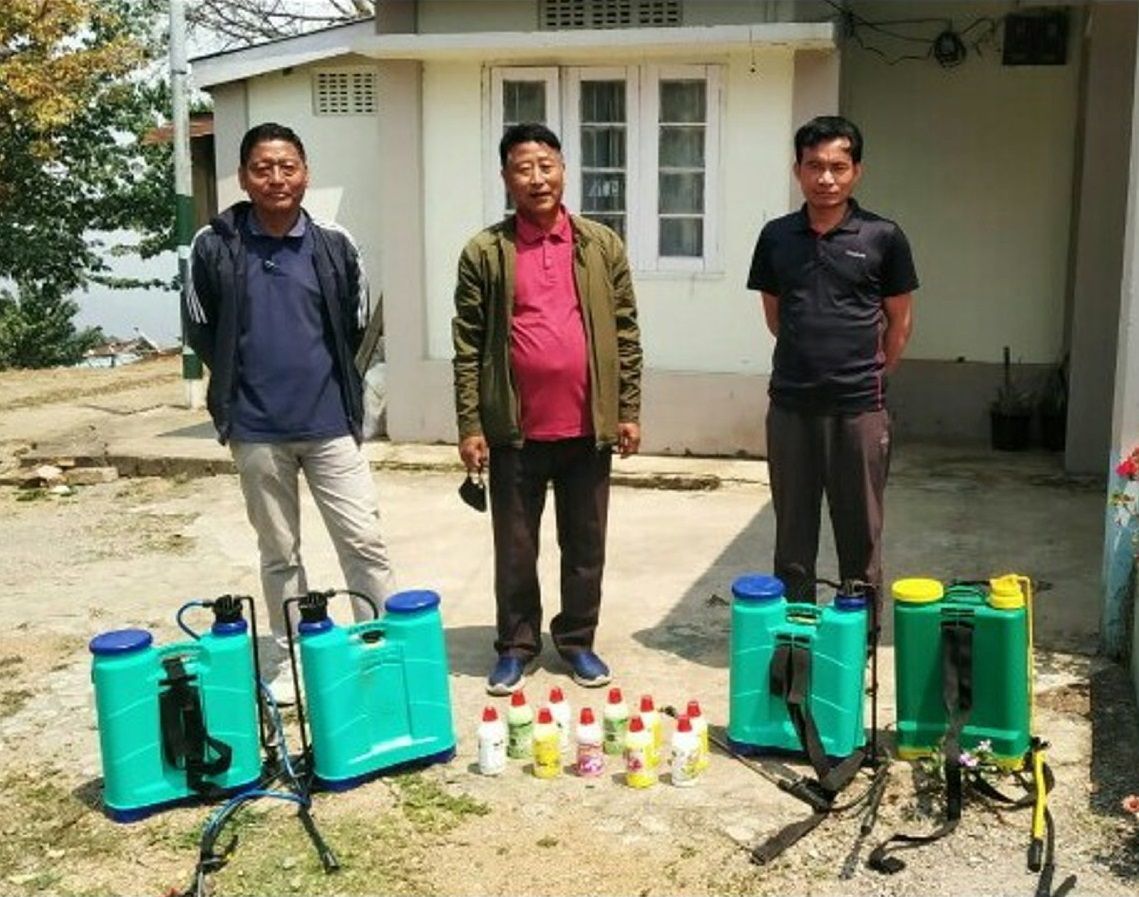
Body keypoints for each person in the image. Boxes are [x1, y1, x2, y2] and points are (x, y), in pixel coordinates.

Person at [184, 122, 394, 704]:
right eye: (263, 168)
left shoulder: (334, 244)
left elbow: (357, 325)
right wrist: (238, 388)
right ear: (243, 177)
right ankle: (296, 656)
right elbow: (200, 325)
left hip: (331, 425)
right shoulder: (214, 245)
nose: (276, 178)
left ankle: (377, 646)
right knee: (280, 553)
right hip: (256, 430)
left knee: (364, 540)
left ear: (305, 173)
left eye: (287, 166)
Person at [452, 122, 643, 696]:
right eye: (523, 168)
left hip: (587, 427)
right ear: (505, 177)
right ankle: (516, 646)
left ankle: (578, 641)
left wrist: (627, 409)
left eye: (546, 165)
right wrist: (470, 424)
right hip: (514, 430)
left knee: (585, 546)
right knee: (515, 549)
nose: (537, 178)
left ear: (564, 170)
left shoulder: (600, 245)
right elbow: (468, 343)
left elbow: (626, 332)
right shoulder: (485, 252)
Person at [747, 115, 917, 611]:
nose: (826, 178)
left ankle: (857, 638)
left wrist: (869, 375)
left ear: (856, 171)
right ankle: (797, 633)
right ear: (797, 170)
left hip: (859, 409)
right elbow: (777, 317)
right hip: (791, 407)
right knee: (793, 534)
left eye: (838, 167)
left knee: (860, 533)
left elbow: (900, 323)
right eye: (814, 166)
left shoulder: (883, 237)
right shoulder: (777, 237)